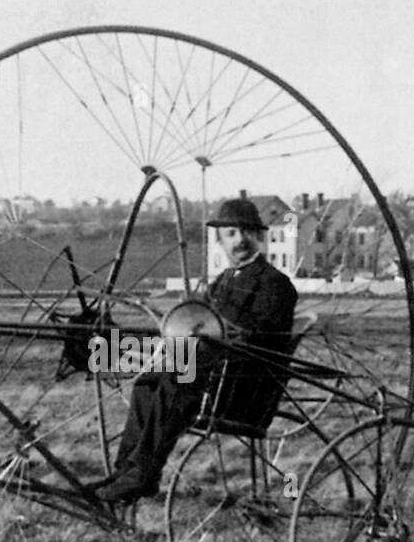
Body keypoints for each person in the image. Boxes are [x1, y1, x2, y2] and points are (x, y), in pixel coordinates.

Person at [94, 197, 298, 503]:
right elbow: (196, 320)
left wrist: (220, 337)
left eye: (244, 232)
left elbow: (266, 338)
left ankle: (144, 474)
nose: (239, 240)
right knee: (147, 383)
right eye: (230, 234)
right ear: (221, 241)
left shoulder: (275, 283)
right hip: (211, 375)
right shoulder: (222, 283)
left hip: (242, 385)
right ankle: (127, 471)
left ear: (257, 236)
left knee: (175, 381)